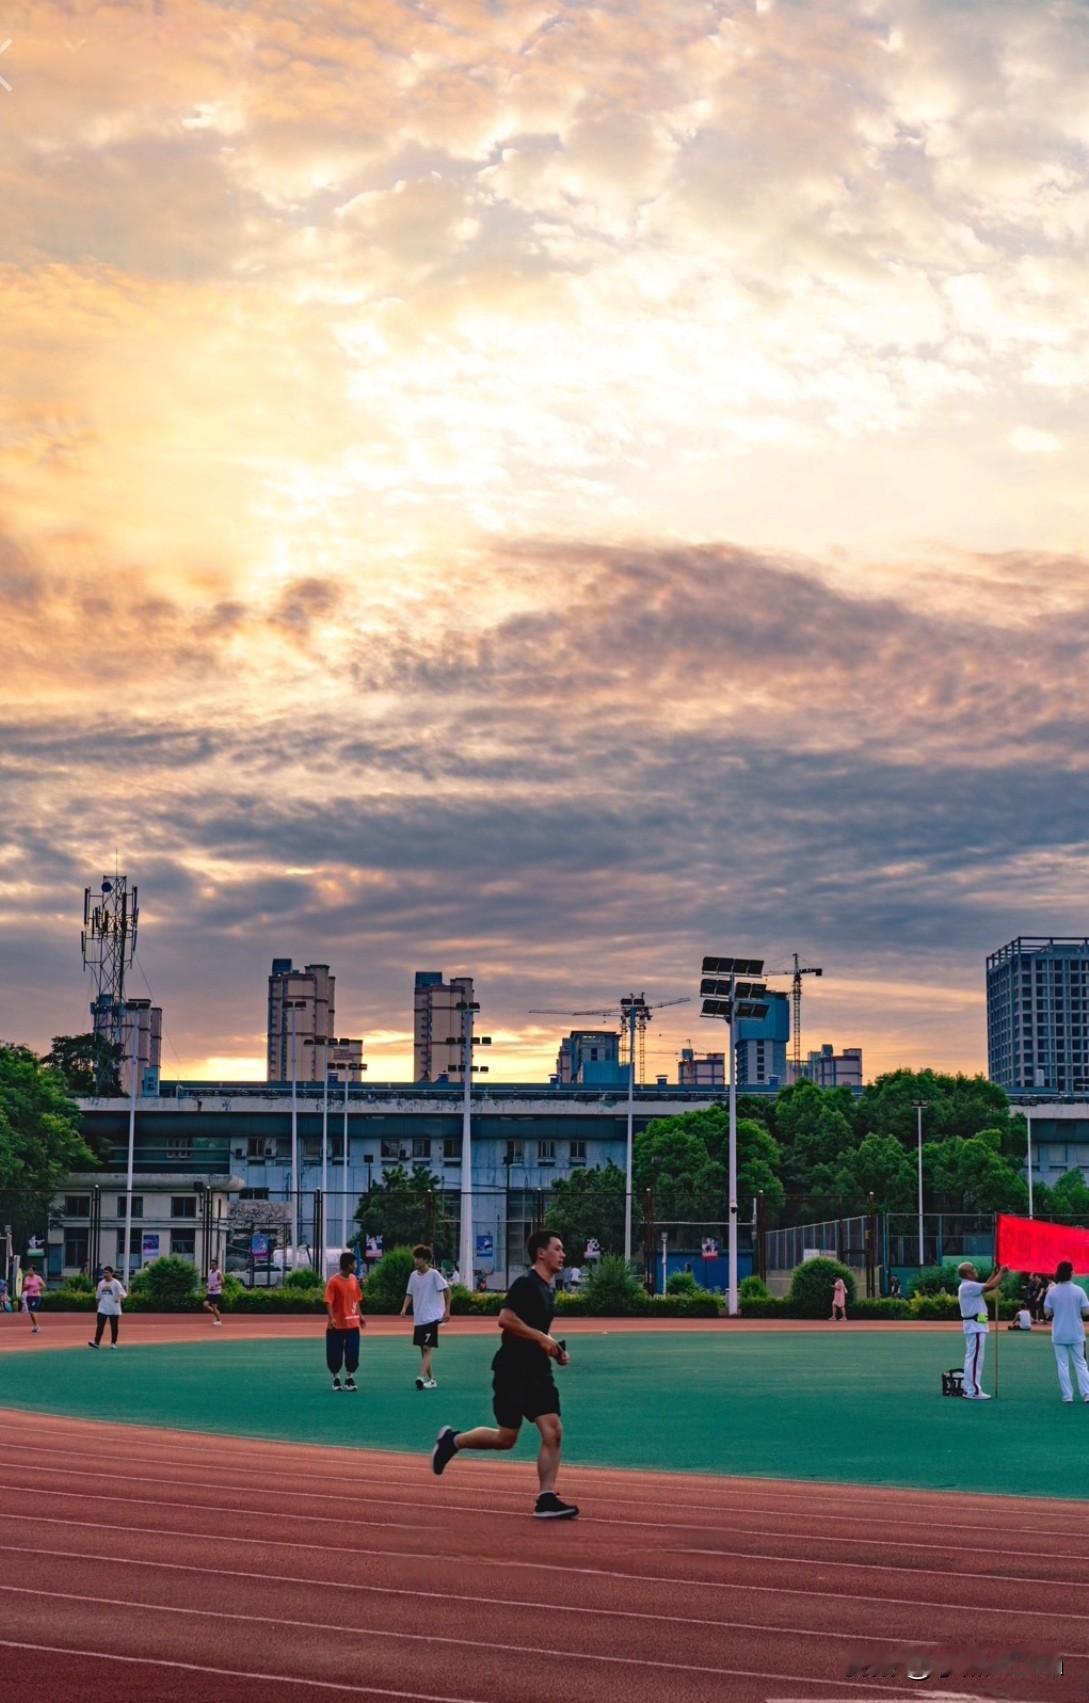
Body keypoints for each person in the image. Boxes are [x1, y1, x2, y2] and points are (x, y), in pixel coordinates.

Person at [431, 1228, 578, 1520]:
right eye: (557, 1249)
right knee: (506, 1438)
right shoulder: (526, 1284)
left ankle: (546, 1498)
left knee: (554, 1431)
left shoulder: (548, 1288)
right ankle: (453, 1441)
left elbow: (537, 1330)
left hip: (538, 1371)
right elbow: (506, 1319)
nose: (563, 1254)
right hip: (512, 1369)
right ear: (541, 1253)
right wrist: (541, 1338)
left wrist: (555, 1349)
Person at [400, 1244, 451, 1389]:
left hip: (432, 1317)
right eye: (415, 1258)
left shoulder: (434, 1274)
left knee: (427, 1348)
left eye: (419, 1258)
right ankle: (432, 1379)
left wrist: (447, 1311)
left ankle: (420, 1378)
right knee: (423, 1349)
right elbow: (409, 1293)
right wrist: (404, 1308)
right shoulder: (413, 1276)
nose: (416, 1261)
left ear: (426, 1260)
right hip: (419, 1318)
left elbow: (448, 1291)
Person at [956, 1260, 1006, 1399]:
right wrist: (1002, 1273)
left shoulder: (969, 1286)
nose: (975, 1271)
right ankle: (973, 1391)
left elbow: (986, 1285)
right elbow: (992, 1286)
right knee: (975, 1359)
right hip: (975, 1326)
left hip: (976, 1326)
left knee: (974, 1358)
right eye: (973, 1269)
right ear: (968, 1274)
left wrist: (994, 1274)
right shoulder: (968, 1286)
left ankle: (970, 1388)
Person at [1043, 1260, 1089, 1403]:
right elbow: (1086, 1311)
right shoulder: (1079, 1290)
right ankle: (1087, 1393)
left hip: (1059, 1333)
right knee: (1081, 1364)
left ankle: (1067, 1396)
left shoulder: (1052, 1291)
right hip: (1076, 1333)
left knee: (1062, 1365)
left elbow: (1047, 1312)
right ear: (1071, 1272)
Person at [324, 1250, 365, 1392]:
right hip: (336, 1326)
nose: (356, 1266)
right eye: (354, 1263)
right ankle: (336, 1378)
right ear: (348, 1265)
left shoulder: (354, 1280)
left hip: (352, 1324)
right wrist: (331, 1318)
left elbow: (356, 1299)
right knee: (334, 1354)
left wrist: (360, 1316)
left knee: (353, 1353)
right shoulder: (333, 1282)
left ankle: (349, 1378)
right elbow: (328, 1301)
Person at [88, 1266, 127, 1348]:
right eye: (104, 1273)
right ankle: (96, 1342)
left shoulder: (116, 1283)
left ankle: (113, 1343)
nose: (105, 1274)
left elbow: (123, 1294)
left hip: (114, 1309)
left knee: (114, 1327)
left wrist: (119, 1298)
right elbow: (98, 1296)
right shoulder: (101, 1283)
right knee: (100, 1326)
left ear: (111, 1273)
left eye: (107, 1273)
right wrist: (98, 1306)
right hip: (103, 1308)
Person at [22, 1267, 45, 1334]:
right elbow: (24, 1287)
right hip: (29, 1296)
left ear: (34, 1271)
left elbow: (44, 1286)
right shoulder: (27, 1278)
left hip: (36, 1296)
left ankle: (37, 1326)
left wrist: (37, 1289)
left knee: (32, 1311)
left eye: (31, 1270)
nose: (29, 1271)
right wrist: (27, 1286)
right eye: (29, 1270)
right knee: (30, 1312)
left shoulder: (38, 1278)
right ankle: (35, 1325)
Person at [203, 1261, 225, 1326]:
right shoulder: (209, 1272)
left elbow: (222, 1281)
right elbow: (209, 1281)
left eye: (213, 1264)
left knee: (214, 1307)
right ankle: (216, 1312)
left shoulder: (218, 1273)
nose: (212, 1266)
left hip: (216, 1292)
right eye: (211, 1265)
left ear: (216, 1265)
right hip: (210, 1292)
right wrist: (207, 1285)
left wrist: (215, 1285)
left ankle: (219, 1321)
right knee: (205, 1305)